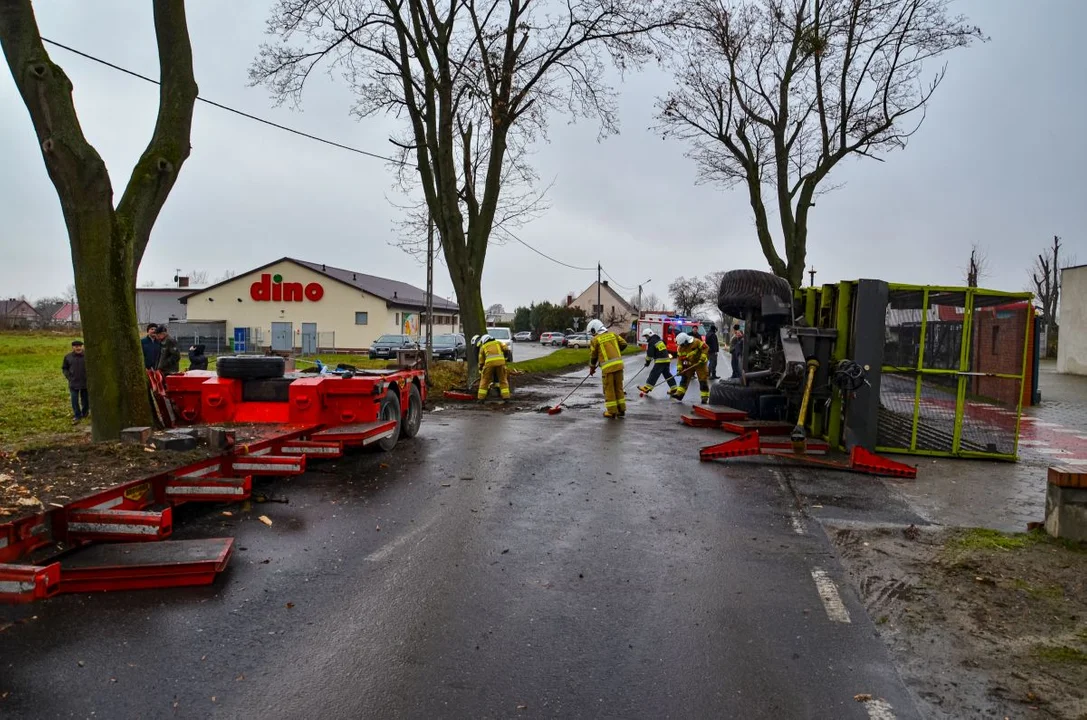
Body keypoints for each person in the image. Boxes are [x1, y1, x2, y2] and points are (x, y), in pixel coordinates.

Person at [587, 318, 628, 418]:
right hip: (619, 366)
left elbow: (593, 356)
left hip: (608, 369)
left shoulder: (595, 340)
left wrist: (592, 367)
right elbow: (624, 344)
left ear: (594, 330)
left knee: (609, 389)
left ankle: (612, 411)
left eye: (592, 333)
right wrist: (615, 351)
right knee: (618, 388)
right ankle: (621, 410)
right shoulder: (613, 335)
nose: (592, 335)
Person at [673, 332, 711, 404]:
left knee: (703, 380)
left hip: (700, 363)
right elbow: (680, 360)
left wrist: (703, 356)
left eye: (682, 344)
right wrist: (679, 369)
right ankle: (679, 394)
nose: (682, 346)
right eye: (680, 344)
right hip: (689, 364)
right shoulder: (680, 348)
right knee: (684, 378)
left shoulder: (696, 342)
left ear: (686, 341)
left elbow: (706, 348)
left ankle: (704, 397)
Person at [637, 327, 676, 396]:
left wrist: (647, 362)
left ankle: (647, 387)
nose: (646, 338)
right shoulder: (658, 339)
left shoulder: (652, 342)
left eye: (646, 336)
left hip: (660, 360)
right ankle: (674, 388)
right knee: (667, 374)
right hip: (666, 359)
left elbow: (649, 354)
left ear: (649, 335)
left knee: (654, 373)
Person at [476, 334, 510, 401]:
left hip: (489, 365)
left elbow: (481, 360)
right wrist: (505, 358)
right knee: (503, 380)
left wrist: (481, 369)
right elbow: (506, 349)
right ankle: (506, 397)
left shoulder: (483, 347)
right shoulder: (498, 342)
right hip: (501, 363)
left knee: (485, 380)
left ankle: (481, 398)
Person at [62, 339, 89, 423]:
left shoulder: (87, 356)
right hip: (73, 382)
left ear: (82, 347)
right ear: (73, 347)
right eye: (76, 346)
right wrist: (69, 377)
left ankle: (85, 413)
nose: (78, 348)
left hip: (85, 382)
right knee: (74, 400)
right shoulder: (68, 357)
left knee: (85, 400)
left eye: (80, 346)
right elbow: (64, 368)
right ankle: (77, 415)